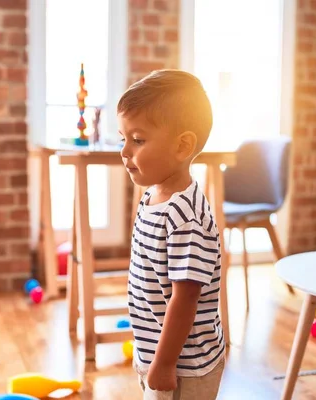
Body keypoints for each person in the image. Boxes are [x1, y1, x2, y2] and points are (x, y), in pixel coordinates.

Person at [118, 69, 225, 400]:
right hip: (156, 353)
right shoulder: (152, 196)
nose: (125, 152)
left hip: (184, 365)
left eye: (137, 140)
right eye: (123, 138)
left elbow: (186, 298)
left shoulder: (186, 218)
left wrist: (164, 364)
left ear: (183, 147)